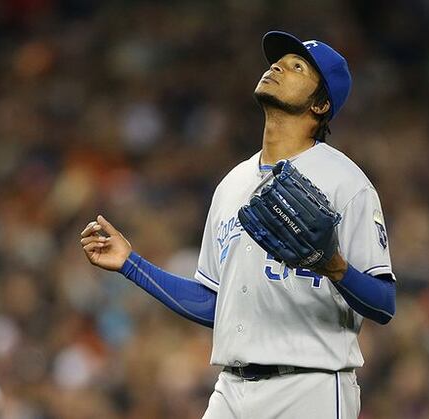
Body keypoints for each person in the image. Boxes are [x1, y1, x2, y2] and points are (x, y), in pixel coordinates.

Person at [81, 31, 396, 419]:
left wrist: (335, 267)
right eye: (277, 62)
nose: (278, 67)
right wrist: (132, 264)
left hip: (310, 386)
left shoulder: (347, 184)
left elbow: (384, 304)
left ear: (321, 104)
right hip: (231, 390)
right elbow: (215, 304)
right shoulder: (232, 185)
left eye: (297, 67)